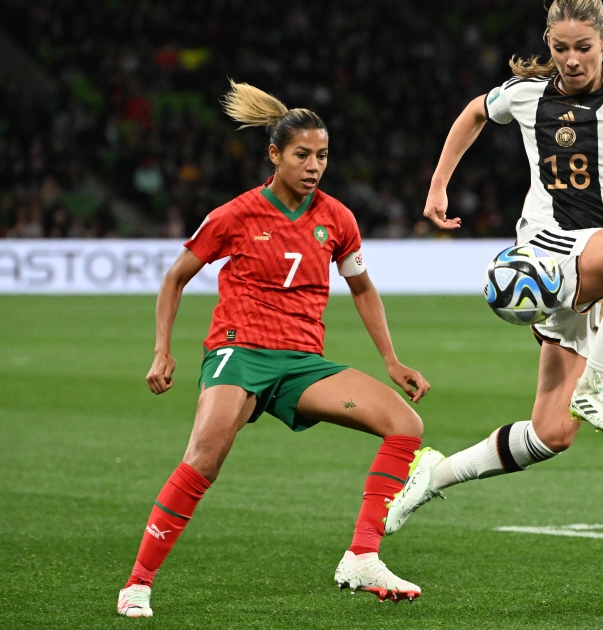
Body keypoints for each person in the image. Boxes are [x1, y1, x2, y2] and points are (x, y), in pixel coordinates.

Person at [386, 0, 603, 534]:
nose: (572, 59)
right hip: (548, 251)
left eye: (584, 47)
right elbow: (475, 112)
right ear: (548, 42)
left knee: (551, 434)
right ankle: (599, 383)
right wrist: (438, 184)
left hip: (597, 257)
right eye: (561, 47)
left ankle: (435, 475)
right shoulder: (525, 94)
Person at [117, 81, 432, 617]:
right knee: (204, 460)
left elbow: (362, 287)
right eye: (303, 155)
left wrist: (392, 360)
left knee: (405, 426)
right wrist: (161, 351)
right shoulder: (235, 215)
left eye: (323, 156)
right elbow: (175, 278)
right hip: (239, 352)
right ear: (275, 155)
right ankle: (138, 583)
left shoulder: (337, 218)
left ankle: (362, 554)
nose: (314, 166)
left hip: (302, 364)